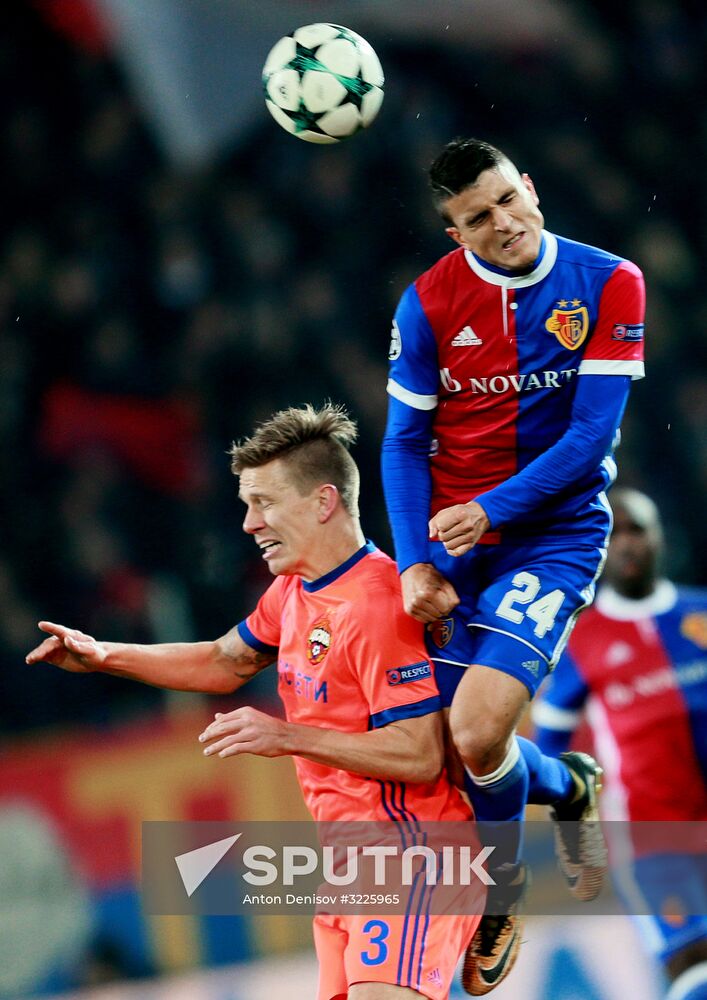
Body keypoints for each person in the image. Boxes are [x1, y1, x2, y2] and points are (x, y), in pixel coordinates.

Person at [27, 403, 486, 1000]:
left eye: (264, 503)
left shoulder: (377, 602)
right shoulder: (295, 590)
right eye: (248, 504)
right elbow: (226, 661)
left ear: (323, 502)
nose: (249, 523)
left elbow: (420, 755)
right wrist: (105, 656)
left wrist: (287, 735)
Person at [381, 136, 646, 970]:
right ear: (453, 234)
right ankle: (567, 786)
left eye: (506, 200)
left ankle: (498, 900)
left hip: (554, 535)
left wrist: (490, 509)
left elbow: (590, 435)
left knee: (475, 728)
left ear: (528, 186)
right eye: (475, 217)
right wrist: (413, 563)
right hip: (453, 546)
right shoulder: (425, 305)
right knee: (453, 756)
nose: (502, 223)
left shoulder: (609, 282)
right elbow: (401, 442)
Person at [532, 488, 707, 1000]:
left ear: (660, 539)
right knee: (692, 973)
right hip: (654, 841)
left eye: (637, 530)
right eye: (615, 534)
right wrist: (576, 834)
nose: (627, 544)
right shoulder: (580, 641)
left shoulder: (700, 614)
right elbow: (549, 748)